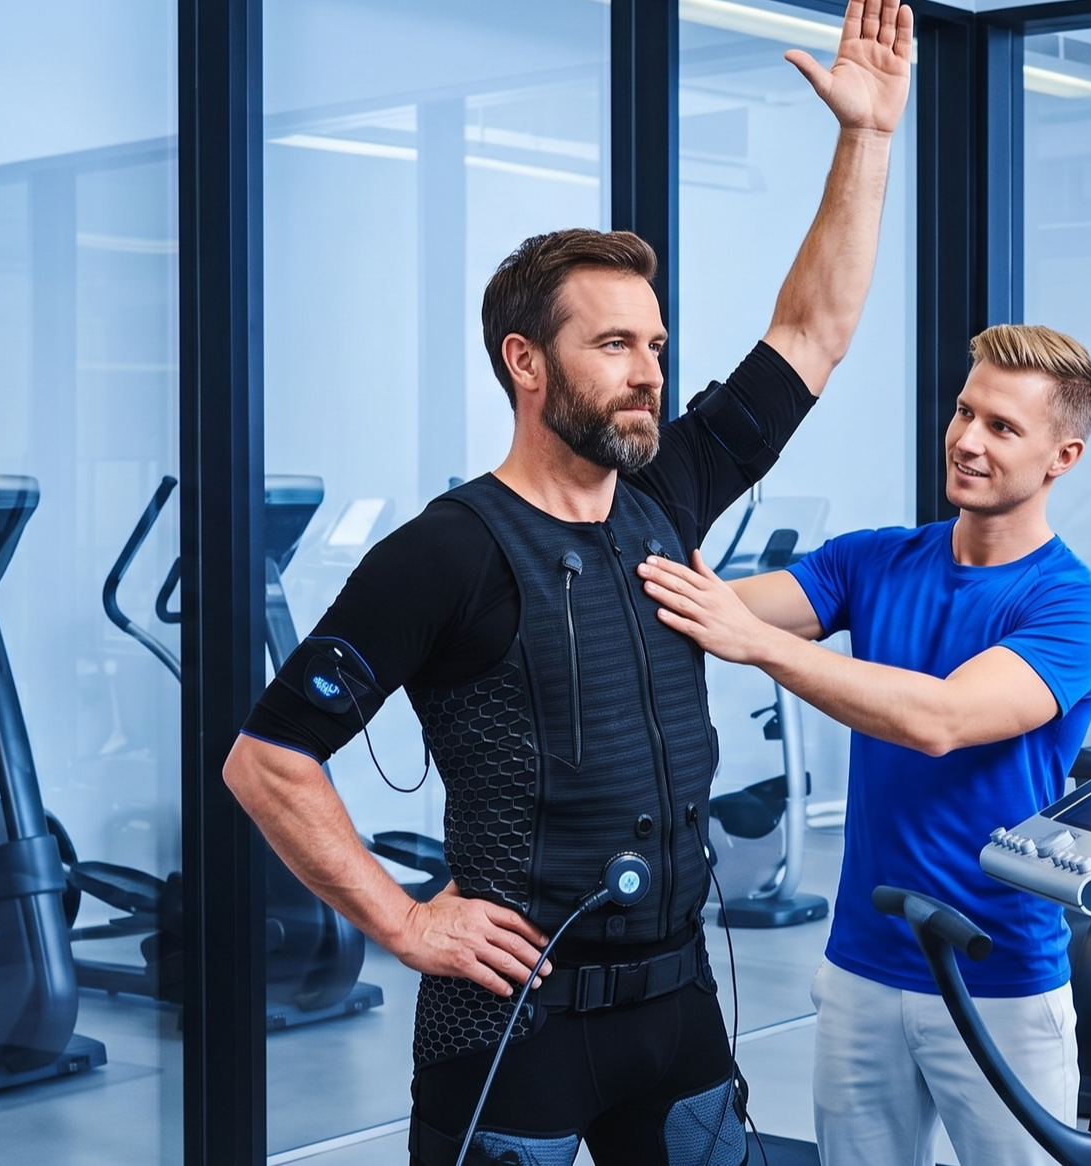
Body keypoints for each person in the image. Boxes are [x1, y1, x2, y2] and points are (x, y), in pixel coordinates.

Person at [219, 3, 913, 1163]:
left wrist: (868, 138)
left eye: (655, 345)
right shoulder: (446, 551)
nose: (648, 372)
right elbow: (266, 758)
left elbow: (810, 332)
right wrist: (403, 919)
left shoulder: (667, 494)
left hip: (676, 1000)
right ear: (525, 361)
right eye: (614, 345)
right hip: (511, 1021)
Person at [635, 324, 1091, 1166]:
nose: (967, 440)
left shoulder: (1073, 607)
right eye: (964, 412)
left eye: (1002, 427)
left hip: (999, 978)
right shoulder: (873, 560)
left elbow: (941, 719)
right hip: (861, 966)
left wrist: (758, 644)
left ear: (1061, 457)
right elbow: (705, 610)